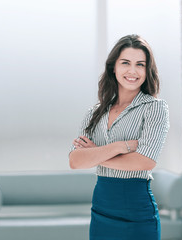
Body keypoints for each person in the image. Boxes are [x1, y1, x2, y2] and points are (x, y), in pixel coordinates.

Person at [69, 34, 169, 240]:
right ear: (113, 67)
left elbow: (145, 161)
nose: (132, 71)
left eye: (140, 64)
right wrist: (118, 147)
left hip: (136, 211)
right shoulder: (95, 112)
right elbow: (75, 161)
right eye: (126, 63)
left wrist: (95, 155)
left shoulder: (155, 108)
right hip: (101, 209)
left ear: (147, 71)